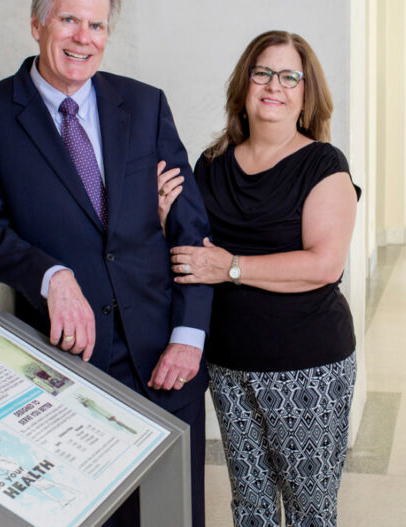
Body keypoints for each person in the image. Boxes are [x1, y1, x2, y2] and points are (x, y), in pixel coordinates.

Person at [0, 0, 212, 527]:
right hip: (68, 357)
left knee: (177, 513)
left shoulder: (144, 105)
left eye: (96, 27)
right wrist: (51, 275)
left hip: (167, 354)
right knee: (93, 513)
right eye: (69, 20)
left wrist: (190, 336)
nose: (83, 38)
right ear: (37, 25)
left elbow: (191, 226)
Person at [159, 30, 359, 527]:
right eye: (263, 73)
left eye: (290, 76)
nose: (275, 85)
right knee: (250, 508)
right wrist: (166, 220)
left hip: (307, 365)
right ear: (245, 86)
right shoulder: (211, 165)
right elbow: (194, 256)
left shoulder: (323, 165)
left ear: (306, 93)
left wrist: (232, 266)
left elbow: (324, 264)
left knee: (309, 512)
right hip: (229, 365)